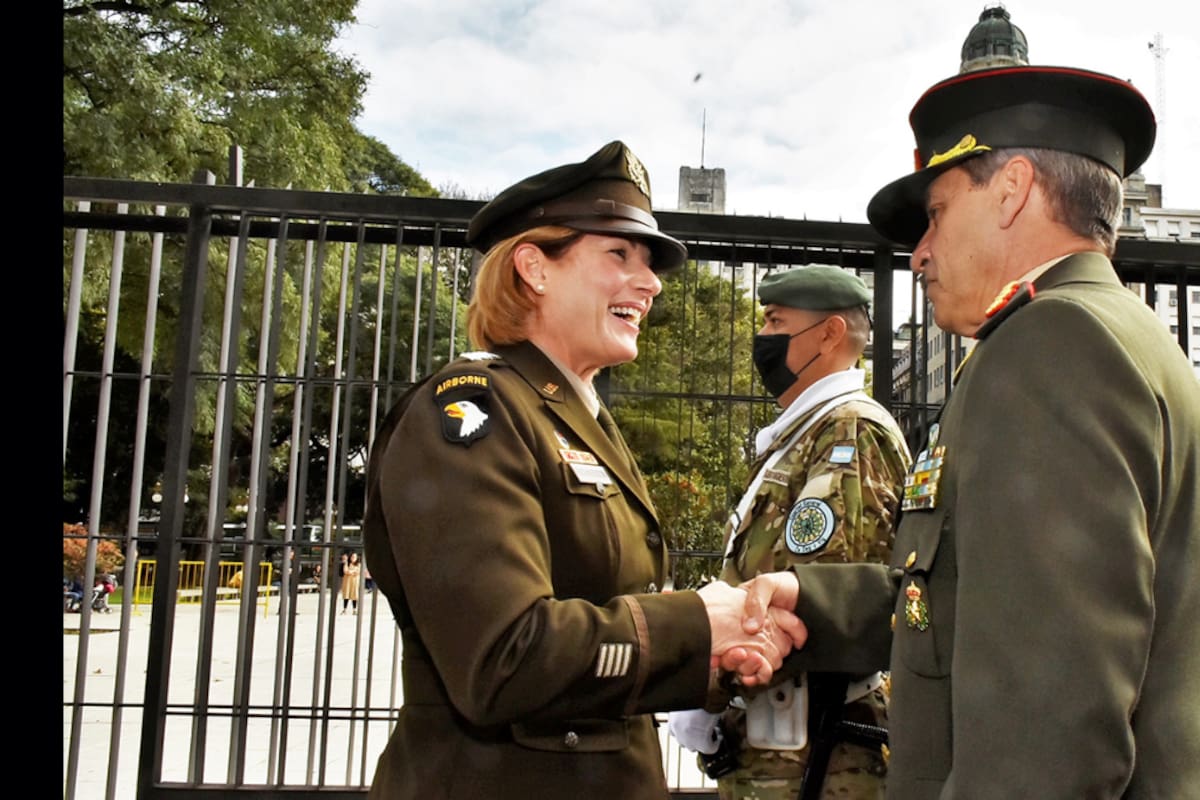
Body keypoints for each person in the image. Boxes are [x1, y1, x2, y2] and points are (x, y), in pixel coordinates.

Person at [734, 64, 1200, 798]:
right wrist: (809, 598)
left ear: (1012, 191)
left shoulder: (1054, 347)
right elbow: (967, 596)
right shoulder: (1121, 333)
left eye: (938, 213)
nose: (919, 252)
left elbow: (1046, 742)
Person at [361, 140, 807, 800]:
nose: (651, 282)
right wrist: (695, 623)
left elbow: (601, 623)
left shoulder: (578, 417)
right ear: (535, 268)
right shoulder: (470, 412)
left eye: (649, 263)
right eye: (619, 255)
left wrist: (710, 660)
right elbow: (502, 661)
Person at [670, 265, 911, 799]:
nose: (762, 337)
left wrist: (709, 686)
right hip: (780, 750)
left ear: (828, 334)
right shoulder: (803, 434)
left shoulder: (850, 430)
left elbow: (822, 601)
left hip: (820, 759)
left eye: (776, 321)